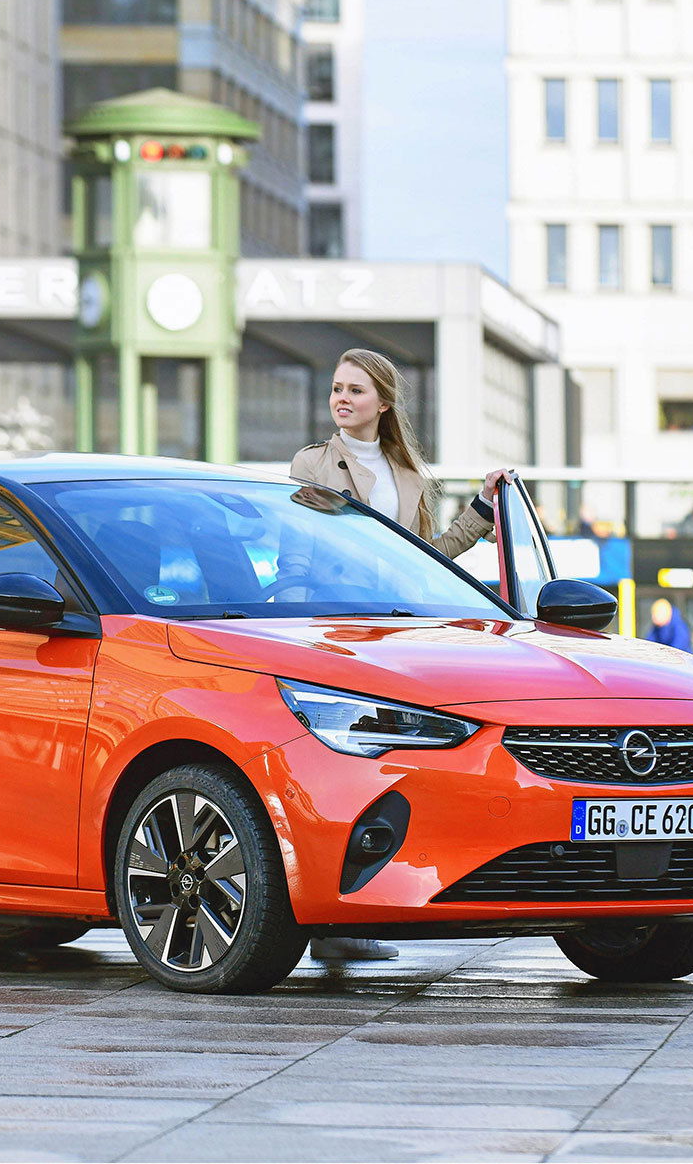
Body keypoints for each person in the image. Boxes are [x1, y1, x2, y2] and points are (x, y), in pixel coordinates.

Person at [288, 347, 510, 964]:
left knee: (388, 761)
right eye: (336, 389)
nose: (342, 399)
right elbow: (298, 547)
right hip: (327, 623)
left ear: (383, 402)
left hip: (393, 629)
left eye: (355, 391)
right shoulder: (313, 462)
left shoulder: (408, 475)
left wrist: (484, 512)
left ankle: (366, 902)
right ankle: (333, 915)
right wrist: (291, 613)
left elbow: (428, 555)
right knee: (336, 757)